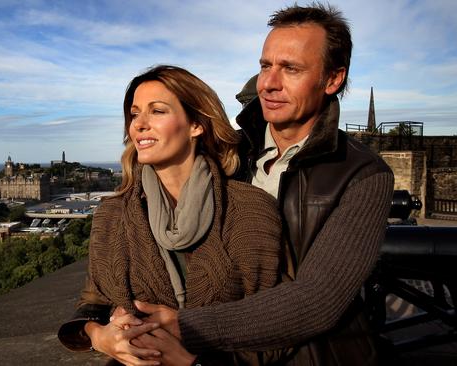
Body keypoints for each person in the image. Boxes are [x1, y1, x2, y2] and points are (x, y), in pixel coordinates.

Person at [110, 3, 395, 366]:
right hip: (219, 354)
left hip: (313, 356)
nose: (269, 83)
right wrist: (105, 327)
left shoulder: (364, 174)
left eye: (291, 68)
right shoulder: (227, 153)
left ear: (332, 79)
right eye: (265, 66)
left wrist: (185, 325)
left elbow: (317, 300)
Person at [58, 65, 286, 365]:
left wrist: (188, 358)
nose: (139, 124)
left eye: (157, 111)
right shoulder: (112, 215)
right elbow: (93, 303)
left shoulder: (248, 211)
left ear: (196, 125)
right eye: (135, 113)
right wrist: (100, 337)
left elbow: (275, 327)